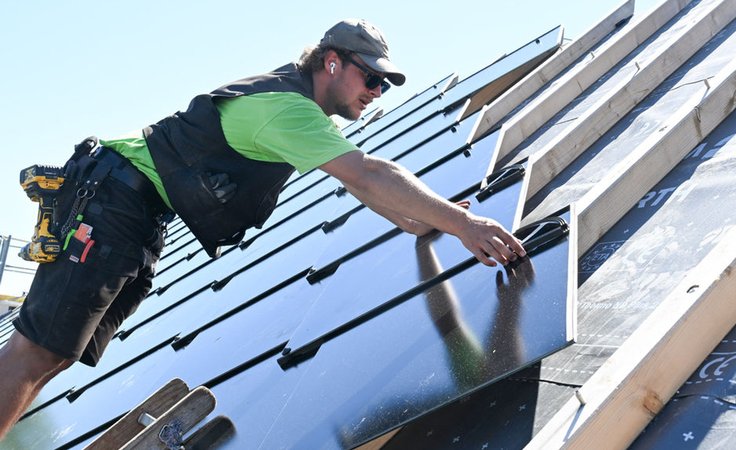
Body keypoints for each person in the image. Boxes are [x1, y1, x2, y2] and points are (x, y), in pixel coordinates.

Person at [0, 18, 525, 439]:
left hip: (135, 213)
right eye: (371, 78)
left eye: (383, 85)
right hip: (114, 201)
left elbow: (359, 184)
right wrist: (462, 222)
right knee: (36, 349)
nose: (377, 92)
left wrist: (417, 220)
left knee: (57, 355)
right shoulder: (286, 108)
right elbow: (366, 172)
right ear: (332, 62)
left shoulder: (299, 109)